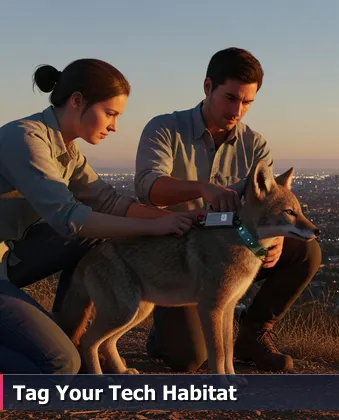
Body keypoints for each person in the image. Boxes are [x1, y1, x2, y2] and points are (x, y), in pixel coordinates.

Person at [0, 59, 201, 374]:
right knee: (60, 364)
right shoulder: (25, 138)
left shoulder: (68, 151)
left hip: (7, 256)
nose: (114, 126)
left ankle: (67, 338)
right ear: (77, 101)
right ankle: (60, 353)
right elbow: (70, 217)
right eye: (110, 114)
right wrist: (153, 226)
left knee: (99, 235)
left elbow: (107, 201)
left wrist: (172, 220)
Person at [135, 47, 321, 372]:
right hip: (182, 257)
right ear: (208, 87)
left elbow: (271, 202)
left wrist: (276, 240)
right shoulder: (166, 129)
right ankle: (165, 331)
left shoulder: (255, 146)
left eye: (247, 102)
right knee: (189, 359)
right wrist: (201, 188)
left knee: (306, 251)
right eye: (230, 98)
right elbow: (148, 187)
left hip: (236, 249)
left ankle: (253, 334)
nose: (238, 110)